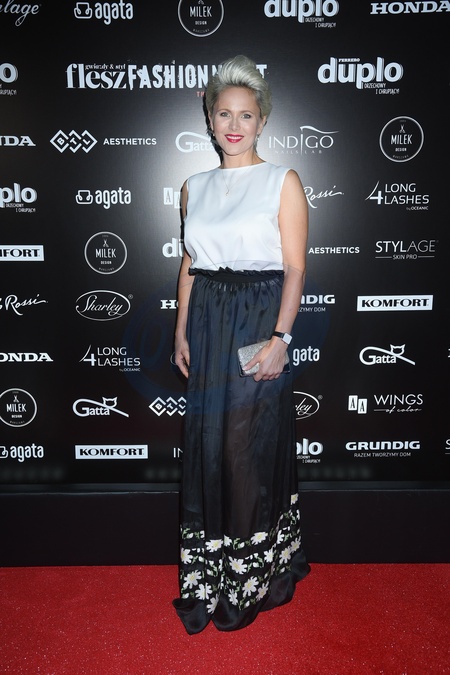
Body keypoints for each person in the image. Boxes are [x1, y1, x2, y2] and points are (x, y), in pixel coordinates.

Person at [172, 55, 310, 634]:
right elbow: (190, 262)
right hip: (208, 320)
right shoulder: (193, 187)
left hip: (256, 318)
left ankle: (251, 577)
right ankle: (210, 574)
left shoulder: (283, 181)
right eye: (224, 113)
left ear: (262, 121)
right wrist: (181, 328)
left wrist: (281, 338)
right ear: (209, 119)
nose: (234, 125)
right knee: (208, 445)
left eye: (245, 115)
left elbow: (295, 268)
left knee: (243, 447)